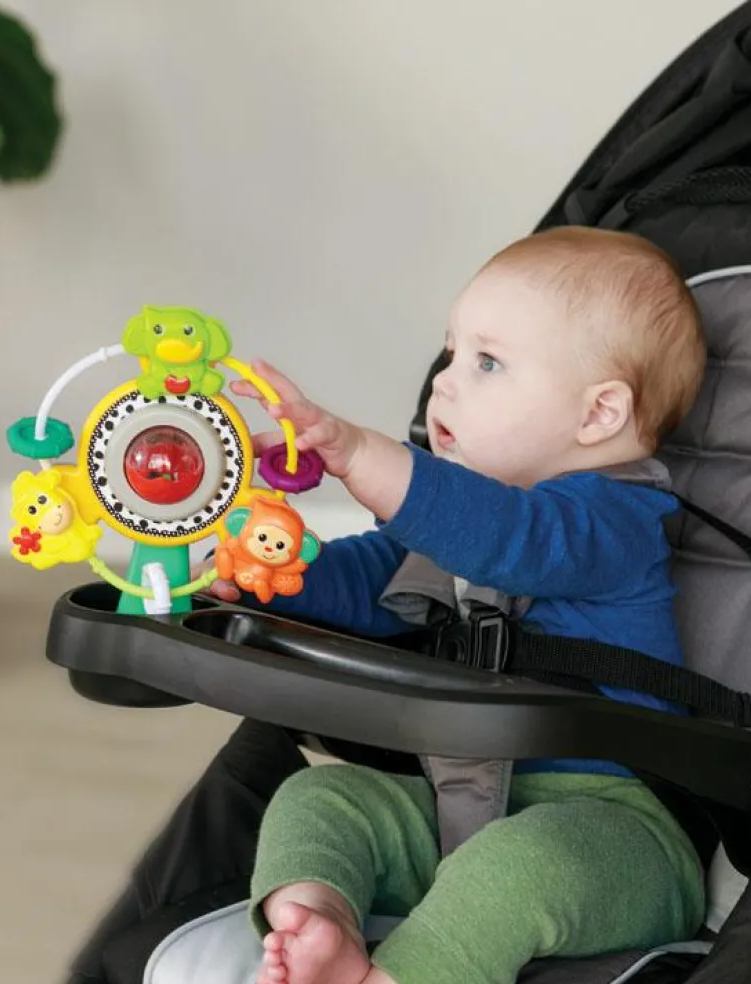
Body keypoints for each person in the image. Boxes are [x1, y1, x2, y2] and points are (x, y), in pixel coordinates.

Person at [203, 226, 708, 984]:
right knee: (320, 795)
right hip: (462, 809)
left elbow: (506, 538)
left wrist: (363, 454)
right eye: (450, 352)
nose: (443, 383)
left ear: (598, 415)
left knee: (516, 865)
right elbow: (373, 581)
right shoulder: (464, 522)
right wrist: (267, 573)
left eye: (487, 362)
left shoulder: (614, 522)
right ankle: (323, 923)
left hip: (619, 837)